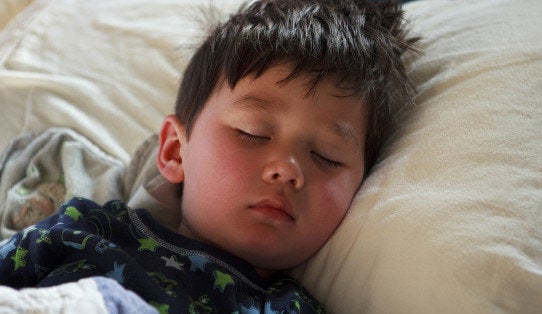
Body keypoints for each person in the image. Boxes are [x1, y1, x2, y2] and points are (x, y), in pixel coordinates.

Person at [0, 0, 419, 312]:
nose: (287, 169)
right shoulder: (89, 228)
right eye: (252, 133)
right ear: (174, 151)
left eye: (326, 156)